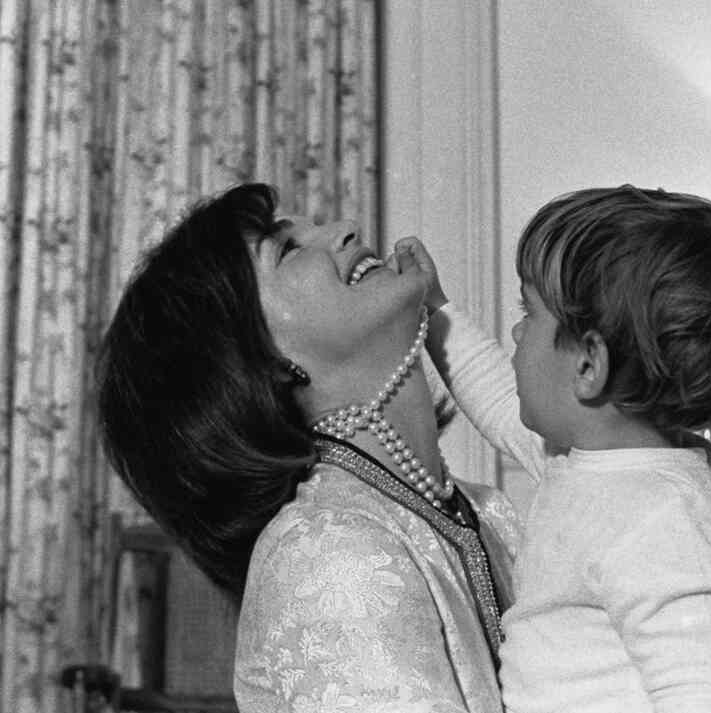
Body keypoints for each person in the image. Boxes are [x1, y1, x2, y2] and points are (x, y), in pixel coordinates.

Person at [97, 183, 520, 712]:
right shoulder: (326, 555)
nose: (345, 228)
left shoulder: (490, 513)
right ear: (255, 361)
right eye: (289, 249)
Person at [402, 184, 711, 713]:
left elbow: (699, 691)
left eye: (528, 312)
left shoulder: (660, 511)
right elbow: (496, 399)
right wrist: (434, 309)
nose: (515, 329)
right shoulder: (583, 457)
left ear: (588, 364)